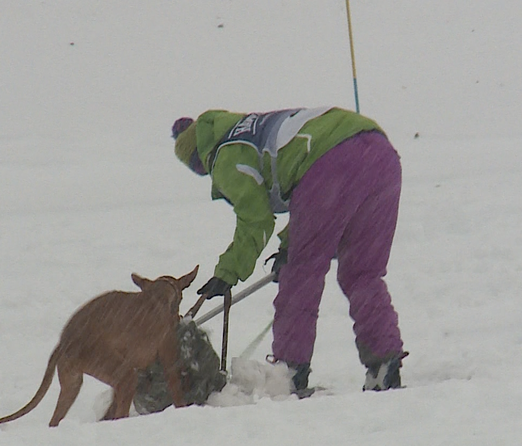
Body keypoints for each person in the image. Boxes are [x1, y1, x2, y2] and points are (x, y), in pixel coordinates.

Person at [172, 106, 407, 395]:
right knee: (362, 273)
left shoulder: (224, 153)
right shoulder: (251, 128)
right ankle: (385, 364)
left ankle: (290, 373)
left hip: (332, 162)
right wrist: (288, 244)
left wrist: (227, 274)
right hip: (381, 155)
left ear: (199, 156)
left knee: (301, 273)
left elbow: (256, 219)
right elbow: (303, 190)